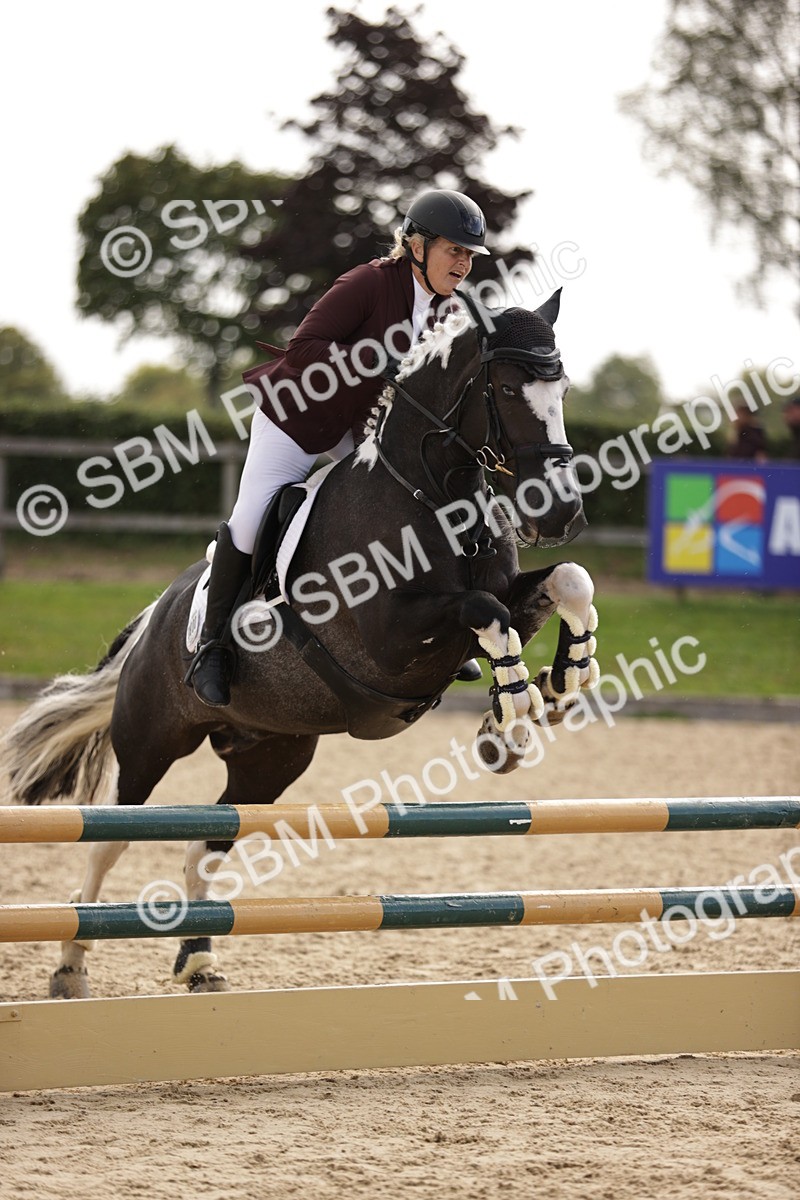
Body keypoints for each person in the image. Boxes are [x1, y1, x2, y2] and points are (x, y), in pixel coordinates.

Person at [186, 189, 490, 707]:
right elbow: (305, 347)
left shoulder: (452, 311)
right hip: (297, 420)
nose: (462, 262)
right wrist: (377, 361)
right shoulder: (369, 282)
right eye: (453, 250)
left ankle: (438, 615)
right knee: (251, 518)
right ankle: (213, 647)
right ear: (415, 245)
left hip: (358, 429)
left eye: (468, 254)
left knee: (414, 502)